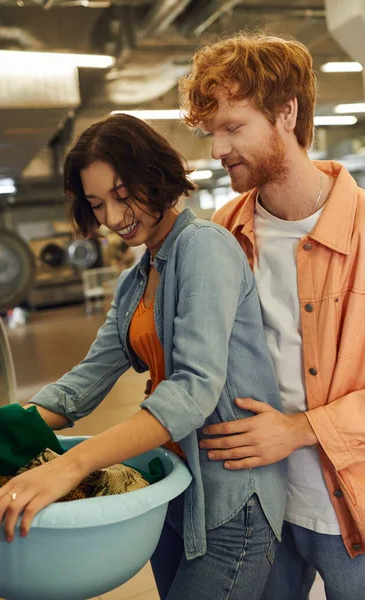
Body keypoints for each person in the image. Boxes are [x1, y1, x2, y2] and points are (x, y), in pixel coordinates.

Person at [0, 113, 286, 600]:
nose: (114, 218)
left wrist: (70, 466)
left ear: (155, 174)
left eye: (123, 195)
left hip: (231, 499)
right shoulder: (134, 281)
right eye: (97, 205)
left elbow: (193, 391)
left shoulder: (204, 248)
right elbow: (85, 382)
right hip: (176, 486)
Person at [179, 31, 365, 600]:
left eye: (233, 128)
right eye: (212, 133)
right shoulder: (222, 231)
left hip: (350, 512)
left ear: (287, 113)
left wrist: (297, 430)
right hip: (260, 510)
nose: (216, 150)